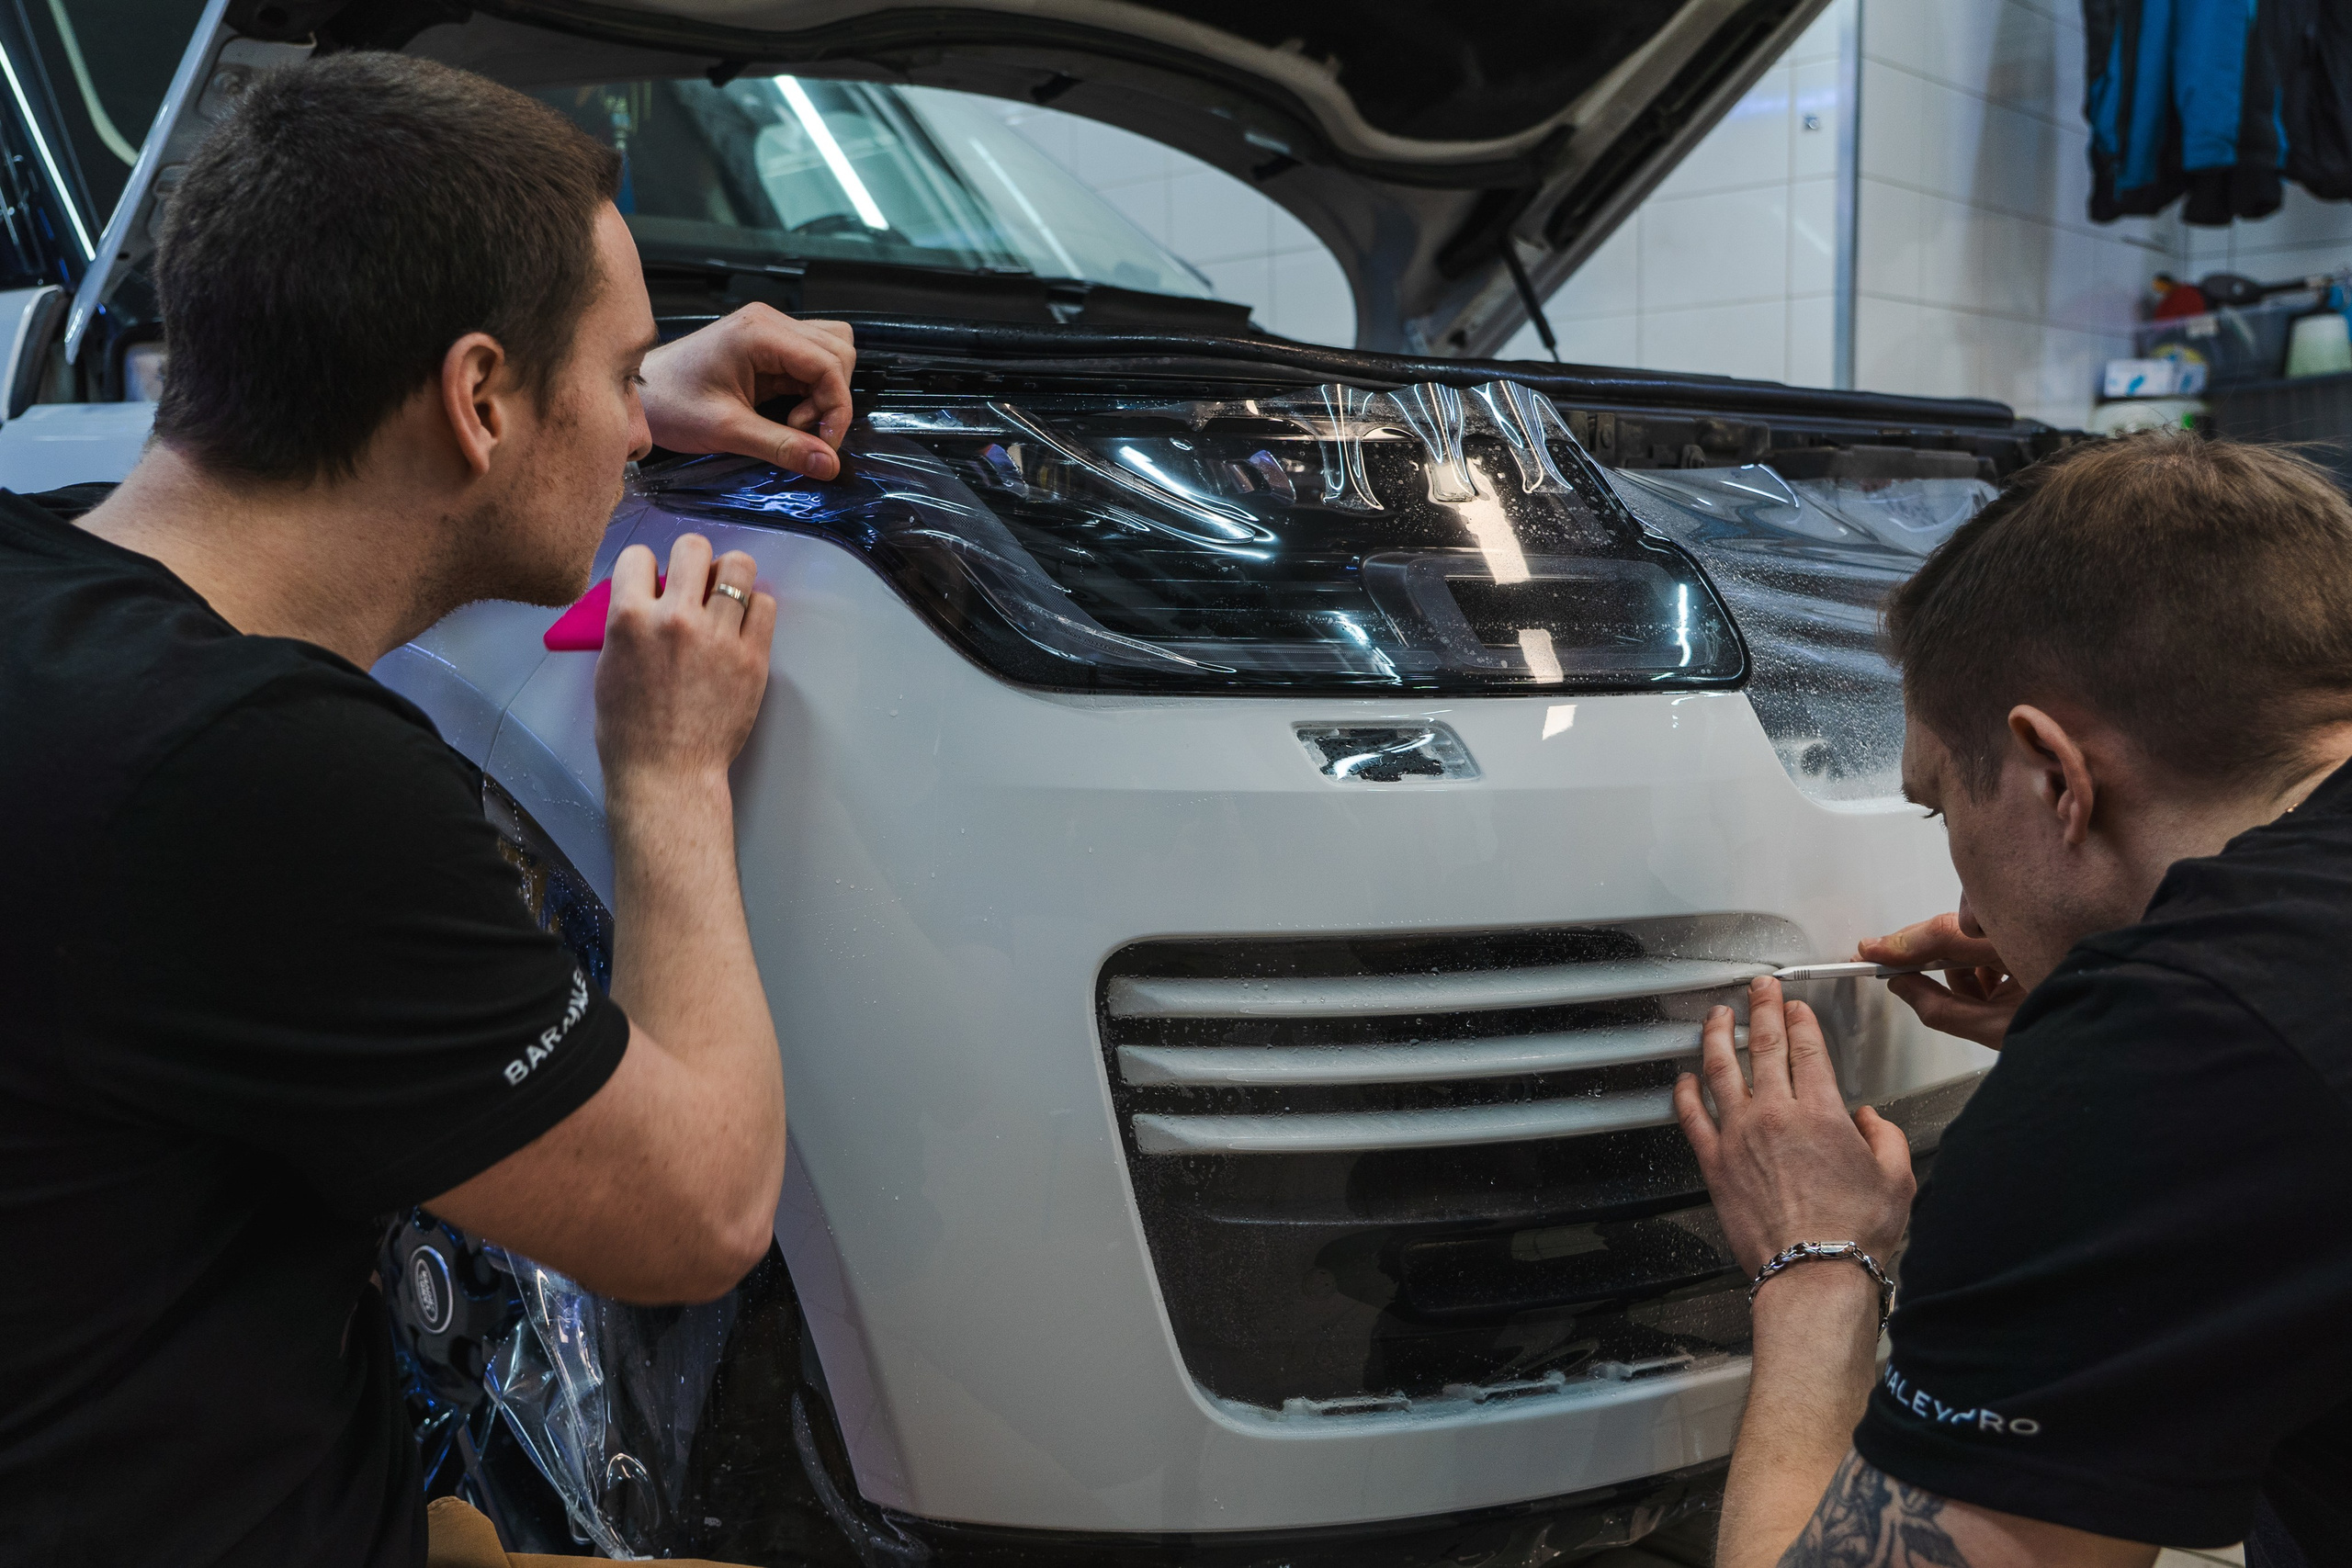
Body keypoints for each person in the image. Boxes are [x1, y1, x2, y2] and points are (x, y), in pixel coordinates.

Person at [0, 52, 854, 1566]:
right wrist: (666, 773)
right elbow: (703, 1209)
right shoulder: (269, 772)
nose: (640, 432)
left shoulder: (53, 593)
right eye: (620, 379)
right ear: (474, 398)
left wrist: (580, 391)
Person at [1673, 432, 2352, 1566]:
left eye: (1940, 808)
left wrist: (1817, 1269)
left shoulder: (2184, 1048)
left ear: (2052, 776)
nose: (1964, 911)